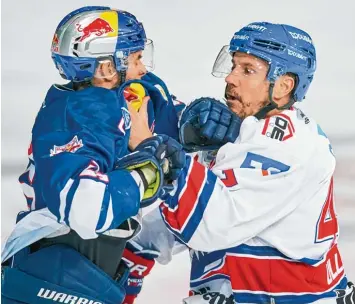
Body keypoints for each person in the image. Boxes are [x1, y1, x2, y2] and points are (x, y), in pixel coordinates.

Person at [123, 22, 354, 303]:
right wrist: (129, 258)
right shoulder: (246, 132)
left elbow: (210, 226)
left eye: (247, 70)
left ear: (283, 85)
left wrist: (159, 153)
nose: (230, 78)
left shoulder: (289, 147)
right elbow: (165, 226)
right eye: (233, 65)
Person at [1, 6, 186, 304]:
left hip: (83, 275)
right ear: (105, 68)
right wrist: (146, 173)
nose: (142, 68)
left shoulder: (121, 95)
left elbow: (168, 122)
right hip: (52, 278)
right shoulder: (78, 115)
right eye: (136, 58)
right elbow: (85, 207)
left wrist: (197, 122)